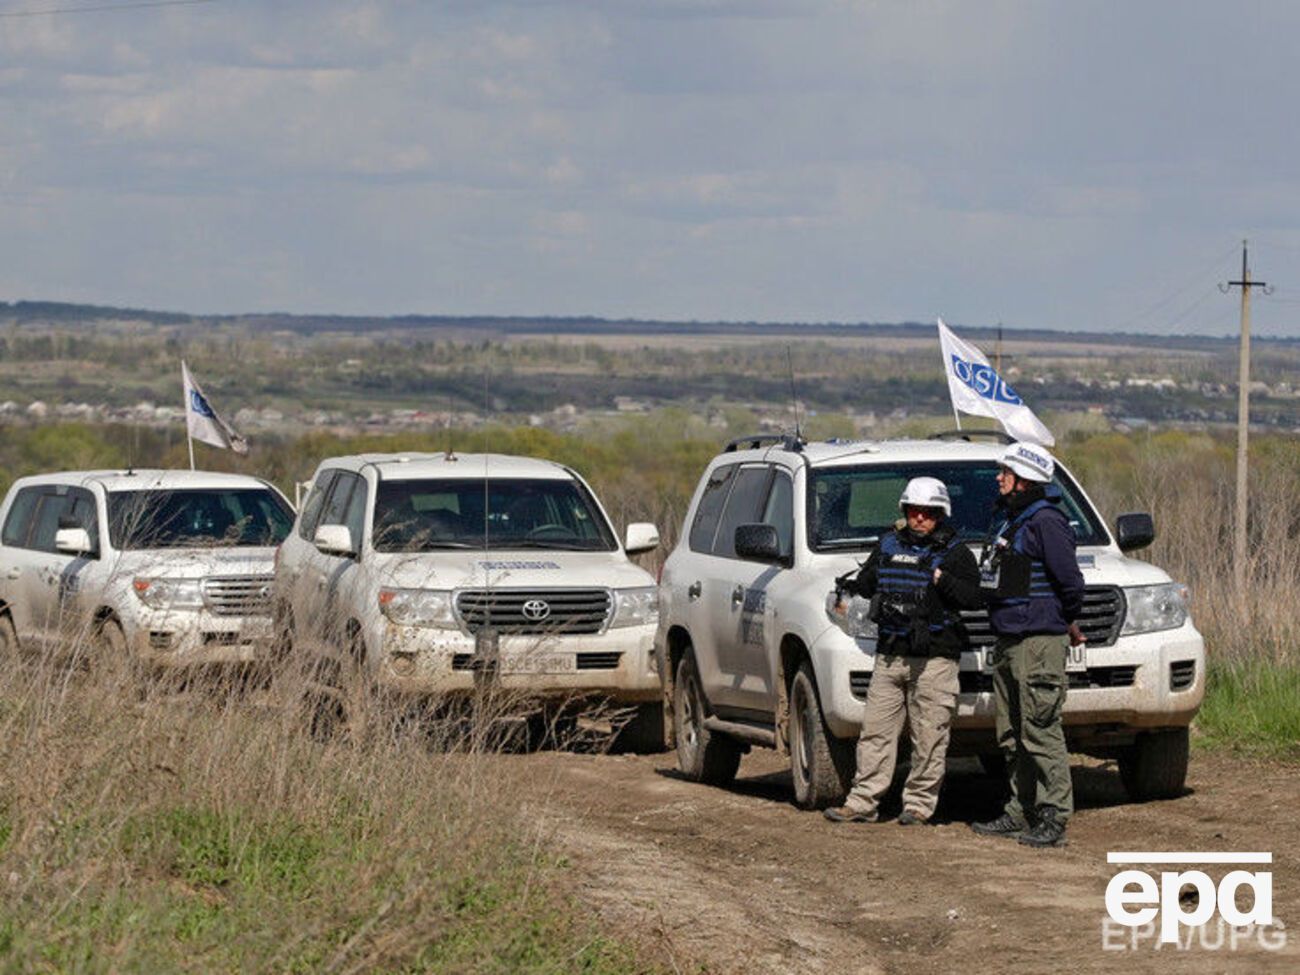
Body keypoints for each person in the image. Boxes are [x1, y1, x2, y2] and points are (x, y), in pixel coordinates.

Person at [824, 476, 984, 826]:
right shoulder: (887, 545)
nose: (920, 519)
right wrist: (849, 588)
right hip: (891, 655)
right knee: (875, 733)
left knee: (929, 736)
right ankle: (862, 803)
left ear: (940, 514)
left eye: (928, 512)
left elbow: (974, 598)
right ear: (906, 511)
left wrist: (942, 579)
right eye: (914, 511)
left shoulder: (956, 552)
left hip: (936, 660)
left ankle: (918, 806)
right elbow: (866, 584)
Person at [971, 442, 1085, 848]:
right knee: (1011, 732)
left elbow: (1071, 584)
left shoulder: (1047, 522)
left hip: (1038, 640)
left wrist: (1061, 619)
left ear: (1025, 479)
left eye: (1005, 472)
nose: (999, 478)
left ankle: (1054, 815)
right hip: (1009, 638)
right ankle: (1022, 810)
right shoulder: (1012, 520)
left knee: (1040, 728)